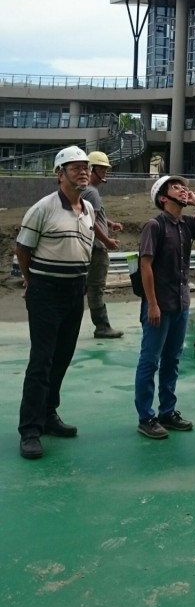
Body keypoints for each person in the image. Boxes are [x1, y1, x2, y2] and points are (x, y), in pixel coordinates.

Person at [15, 146, 95, 460]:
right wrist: (31, 280)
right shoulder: (43, 208)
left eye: (85, 167)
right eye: (75, 167)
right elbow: (23, 249)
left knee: (62, 357)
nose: (83, 171)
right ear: (59, 174)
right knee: (41, 361)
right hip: (46, 291)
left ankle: (49, 415)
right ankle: (30, 430)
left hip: (75, 291)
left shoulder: (87, 208)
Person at [134, 175, 195, 439]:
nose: (183, 190)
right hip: (159, 307)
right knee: (150, 360)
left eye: (184, 187)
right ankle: (146, 417)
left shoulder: (187, 224)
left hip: (181, 304)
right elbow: (145, 266)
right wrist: (152, 304)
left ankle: (167, 412)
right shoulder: (155, 225)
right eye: (176, 187)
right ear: (163, 198)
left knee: (172, 360)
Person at [81, 151, 124, 339]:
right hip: (96, 249)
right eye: (103, 169)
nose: (106, 172)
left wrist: (109, 222)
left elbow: (92, 215)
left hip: (85, 248)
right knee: (96, 288)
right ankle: (102, 326)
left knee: (81, 288)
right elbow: (91, 222)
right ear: (93, 169)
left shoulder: (84, 191)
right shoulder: (92, 192)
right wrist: (107, 241)